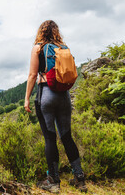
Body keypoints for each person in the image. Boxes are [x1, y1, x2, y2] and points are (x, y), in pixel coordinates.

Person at [24, 20, 87, 193]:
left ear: (41, 32)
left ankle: (53, 181)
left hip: (46, 95)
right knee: (67, 136)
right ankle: (80, 178)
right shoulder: (63, 47)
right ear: (56, 32)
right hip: (64, 96)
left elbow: (32, 75)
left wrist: (27, 99)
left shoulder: (38, 48)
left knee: (50, 138)